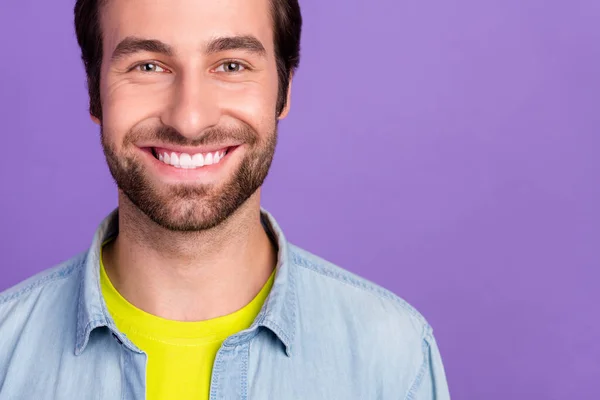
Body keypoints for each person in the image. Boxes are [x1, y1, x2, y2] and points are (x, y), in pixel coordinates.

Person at [0, 0, 450, 398]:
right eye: (148, 66)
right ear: (94, 91)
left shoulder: (394, 358)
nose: (190, 119)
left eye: (231, 65)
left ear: (284, 89)